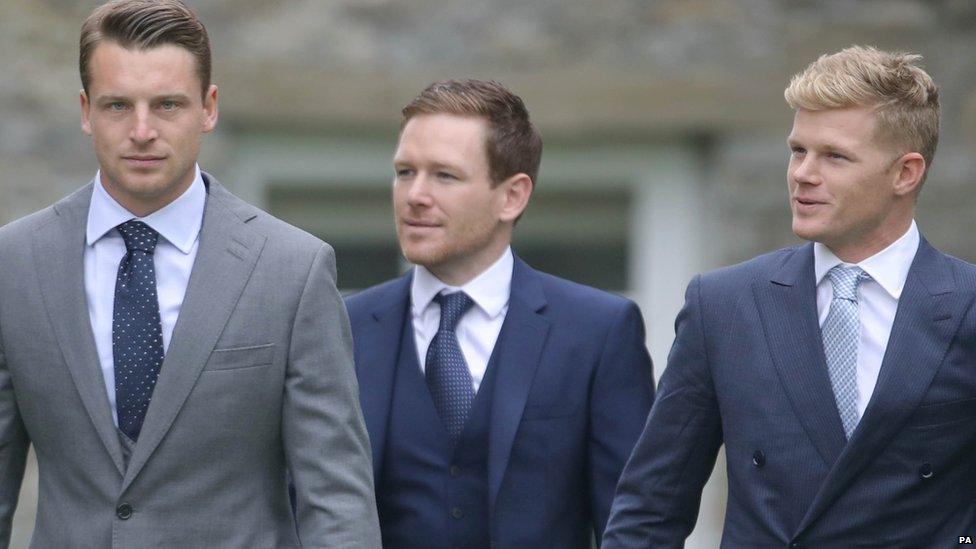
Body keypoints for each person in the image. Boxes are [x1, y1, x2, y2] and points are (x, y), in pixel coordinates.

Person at [0, 1, 381, 547]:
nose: (142, 130)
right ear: (85, 111)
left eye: (167, 105)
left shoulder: (291, 269)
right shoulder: (13, 263)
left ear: (209, 107)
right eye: (116, 106)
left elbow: (336, 498)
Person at [603, 45, 975, 547]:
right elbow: (651, 505)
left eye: (834, 156)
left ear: (905, 173)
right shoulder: (725, 304)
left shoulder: (968, 304)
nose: (803, 173)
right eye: (798, 150)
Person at [345, 79, 655, 548]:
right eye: (405, 172)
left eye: (444, 176)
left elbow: (634, 524)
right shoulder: (343, 327)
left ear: (512, 196)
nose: (415, 195)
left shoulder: (597, 332)